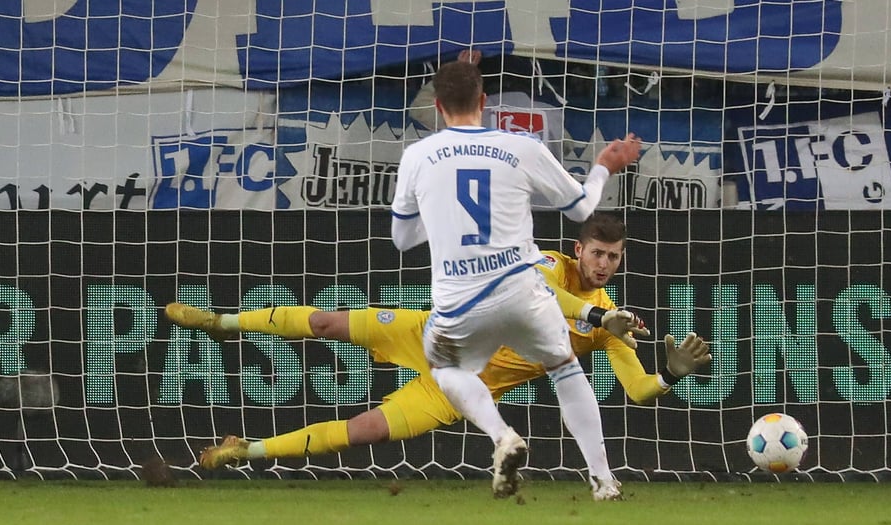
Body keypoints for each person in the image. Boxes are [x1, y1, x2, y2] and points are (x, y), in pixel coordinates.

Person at [167, 214, 712, 500]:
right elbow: (549, 298)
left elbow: (639, 390)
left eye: (614, 257)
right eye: (597, 253)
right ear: (579, 250)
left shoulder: (612, 323)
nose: (605, 264)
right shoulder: (549, 266)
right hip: (431, 334)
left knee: (363, 431)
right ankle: (221, 321)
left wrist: (670, 374)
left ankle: (245, 451)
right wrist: (596, 318)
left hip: (454, 388)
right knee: (326, 322)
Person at [390, 58, 643, 500]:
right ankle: (604, 480)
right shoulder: (521, 147)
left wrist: (442, 212)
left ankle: (501, 435)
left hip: (460, 304)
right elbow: (582, 209)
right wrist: (602, 166)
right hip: (523, 291)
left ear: (439, 106)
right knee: (564, 366)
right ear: (484, 102)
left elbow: (402, 238)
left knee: (446, 368)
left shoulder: (417, 156)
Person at [409, 50, 569, 161]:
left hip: (490, 206)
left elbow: (420, 108)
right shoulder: (550, 114)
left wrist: (457, 74)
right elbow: (568, 145)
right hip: (541, 208)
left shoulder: (470, 115)